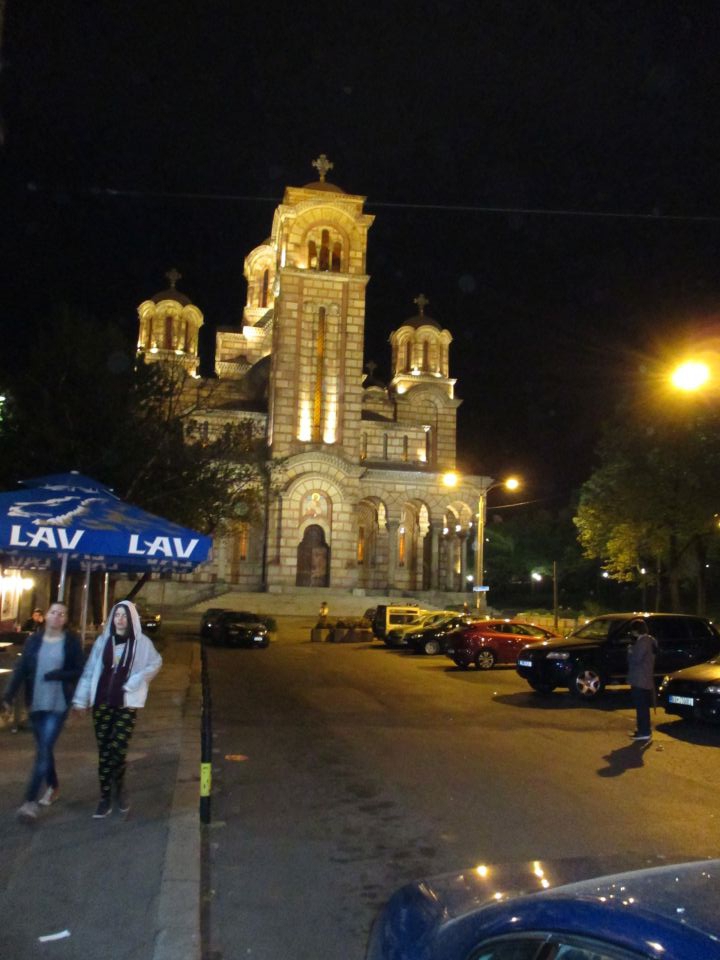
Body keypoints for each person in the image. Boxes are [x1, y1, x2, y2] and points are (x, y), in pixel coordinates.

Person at [72, 600, 162, 818]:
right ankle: (105, 796)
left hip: (125, 703)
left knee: (118, 748)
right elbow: (91, 670)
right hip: (102, 702)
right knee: (104, 751)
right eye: (117, 615)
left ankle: (119, 787)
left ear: (131, 619)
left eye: (124, 615)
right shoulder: (103, 642)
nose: (120, 619)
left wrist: (136, 681)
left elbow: (156, 663)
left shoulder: (142, 644)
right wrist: (80, 699)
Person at [1, 602, 84, 823]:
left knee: (43, 751)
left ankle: (30, 802)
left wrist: (60, 675)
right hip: (35, 704)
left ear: (65, 619)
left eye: (62, 614)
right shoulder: (34, 641)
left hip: (58, 705)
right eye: (54, 612)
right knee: (44, 750)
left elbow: (79, 670)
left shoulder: (71, 642)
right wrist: (7, 697)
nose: (57, 616)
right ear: (46, 616)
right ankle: (54, 785)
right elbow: (21, 669)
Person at [627, 617, 657, 743]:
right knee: (642, 706)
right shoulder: (650, 640)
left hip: (640, 679)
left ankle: (644, 731)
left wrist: (630, 651)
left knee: (641, 707)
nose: (631, 633)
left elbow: (636, 659)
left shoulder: (643, 642)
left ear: (636, 630)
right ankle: (643, 730)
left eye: (632, 631)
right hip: (645, 678)